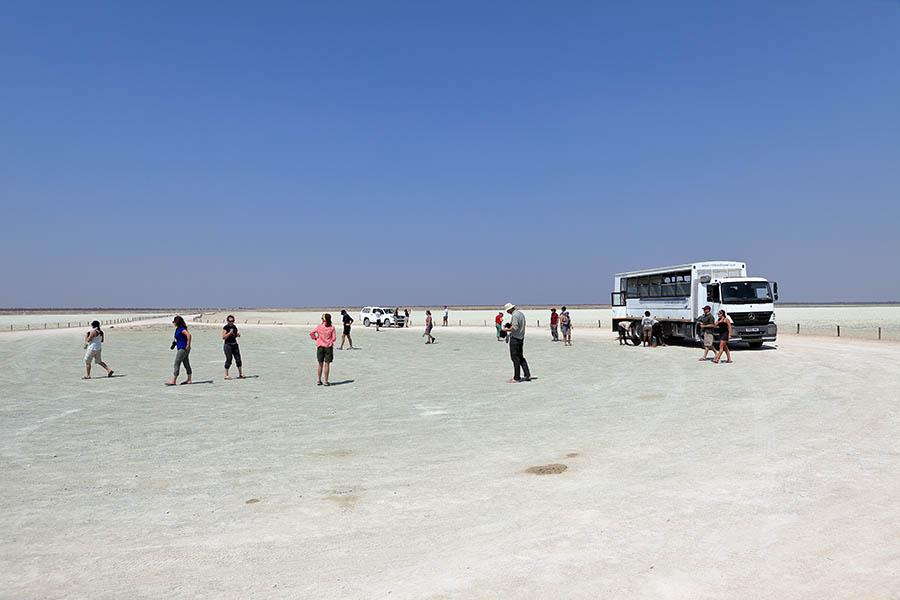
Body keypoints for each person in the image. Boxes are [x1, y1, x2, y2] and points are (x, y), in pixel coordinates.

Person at [503, 302, 531, 383]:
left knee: (515, 358)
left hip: (515, 338)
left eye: (508, 311)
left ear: (510, 309)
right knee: (521, 357)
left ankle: (516, 377)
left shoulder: (515, 315)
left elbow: (515, 328)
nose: (508, 312)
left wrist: (505, 330)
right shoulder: (520, 314)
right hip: (521, 338)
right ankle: (527, 375)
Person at [310, 313, 336, 385]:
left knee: (320, 364)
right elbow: (334, 338)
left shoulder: (319, 327)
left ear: (323, 319)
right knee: (327, 364)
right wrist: (329, 340)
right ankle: (326, 381)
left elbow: (311, 333)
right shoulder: (332, 327)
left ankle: (319, 380)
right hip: (328, 347)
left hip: (320, 347)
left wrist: (315, 338)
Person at [167, 316, 192, 385]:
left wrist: (188, 345)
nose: (173, 323)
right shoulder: (178, 329)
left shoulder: (181, 329)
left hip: (183, 348)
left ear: (177, 322)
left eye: (174, 321)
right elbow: (178, 339)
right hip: (182, 348)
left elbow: (189, 335)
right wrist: (174, 344)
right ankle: (189, 380)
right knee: (186, 363)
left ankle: (173, 381)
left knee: (177, 363)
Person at [222, 315, 244, 379]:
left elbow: (235, 335)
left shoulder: (234, 327)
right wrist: (229, 333)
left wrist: (237, 335)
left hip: (234, 344)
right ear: (227, 321)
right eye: (230, 321)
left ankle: (240, 374)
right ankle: (226, 375)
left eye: (232, 321)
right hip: (228, 345)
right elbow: (223, 337)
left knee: (238, 359)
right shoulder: (226, 327)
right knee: (229, 359)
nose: (231, 322)